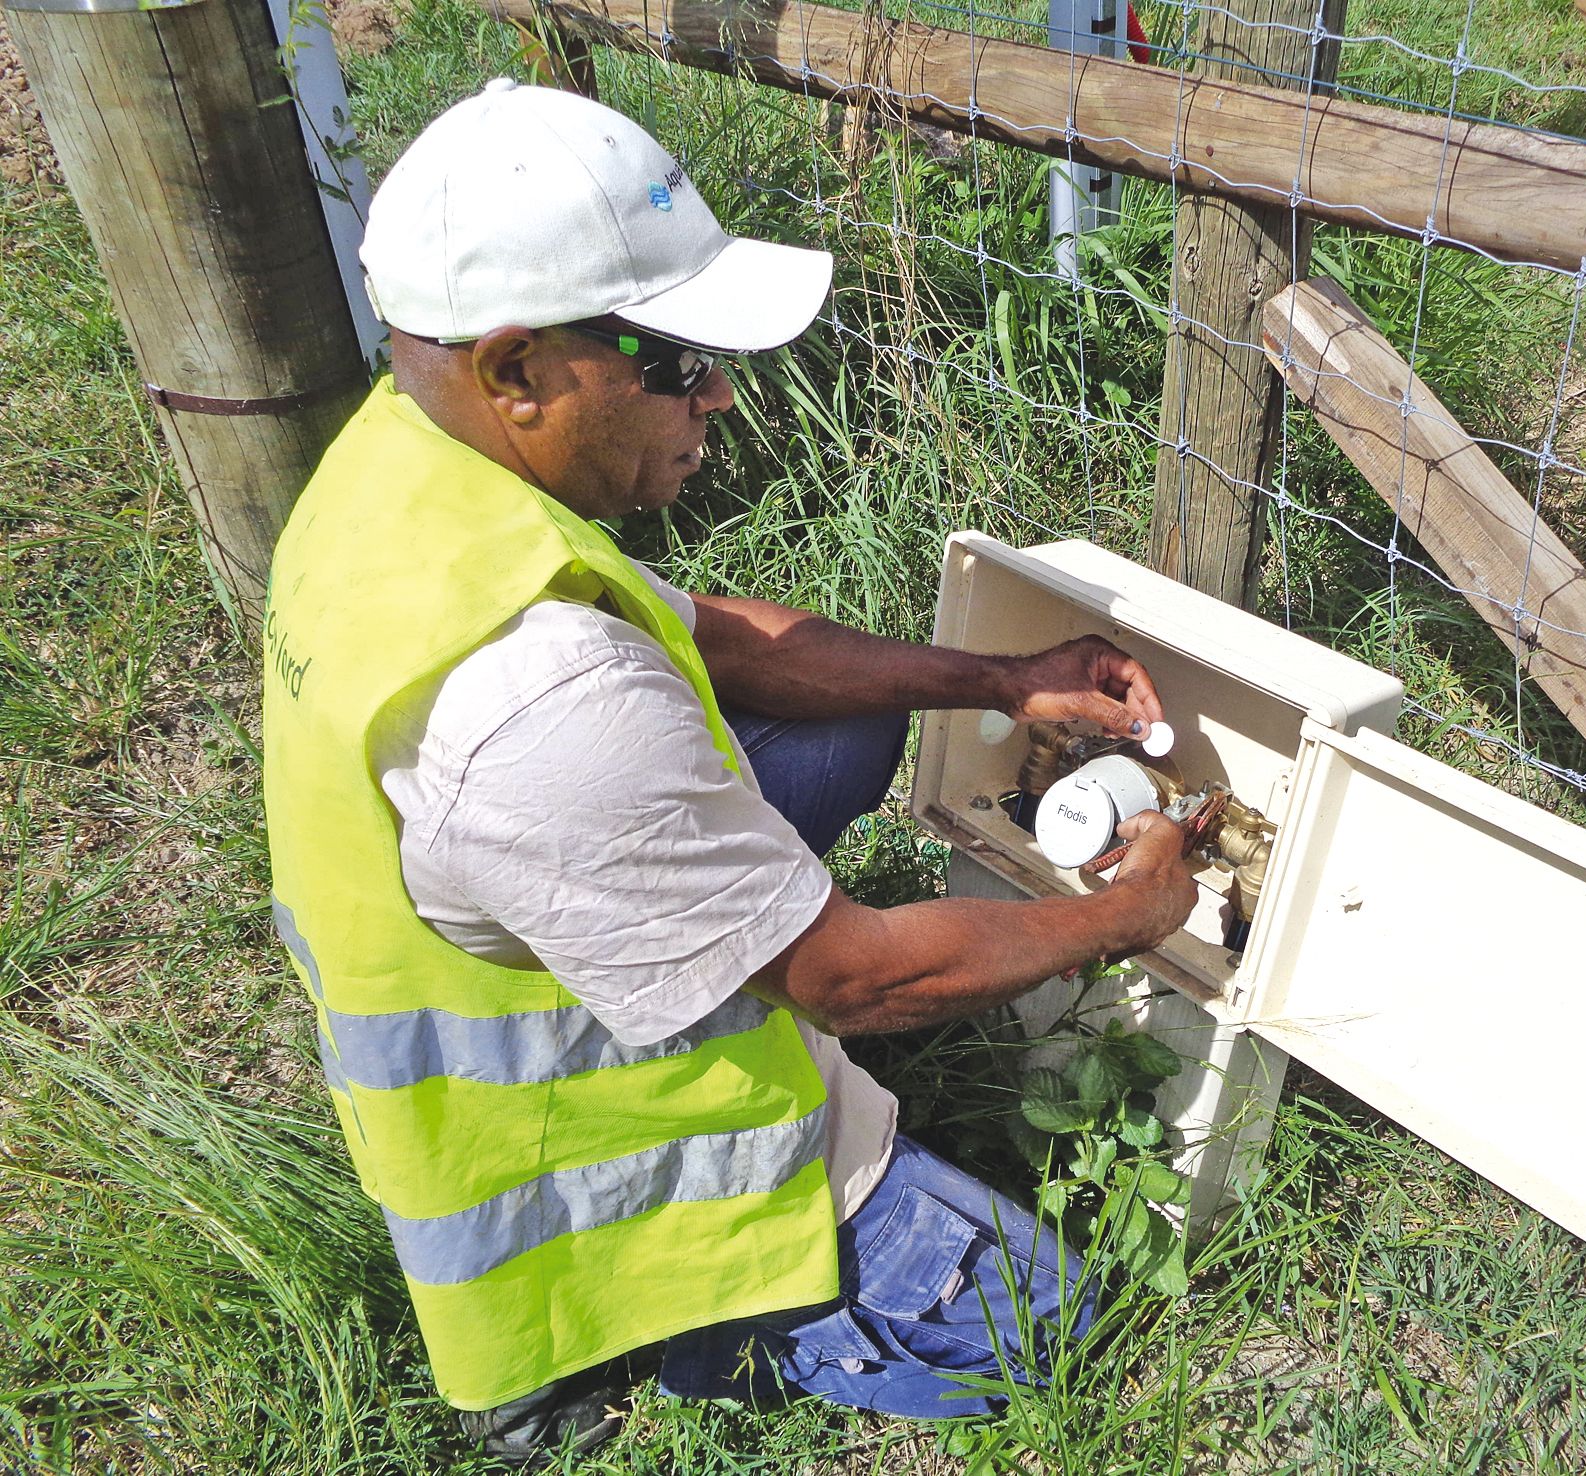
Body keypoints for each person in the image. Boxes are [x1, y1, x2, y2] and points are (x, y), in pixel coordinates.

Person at [261, 78, 1199, 1465]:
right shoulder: (542, 703)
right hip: (593, 1170)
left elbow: (728, 642)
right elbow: (861, 982)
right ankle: (680, 1330)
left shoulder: (404, 469)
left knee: (831, 732)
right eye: (669, 358)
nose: (719, 393)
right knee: (1057, 1325)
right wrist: (1125, 920)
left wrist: (996, 679)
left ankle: (721, 949)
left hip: (512, 931)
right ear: (515, 366)